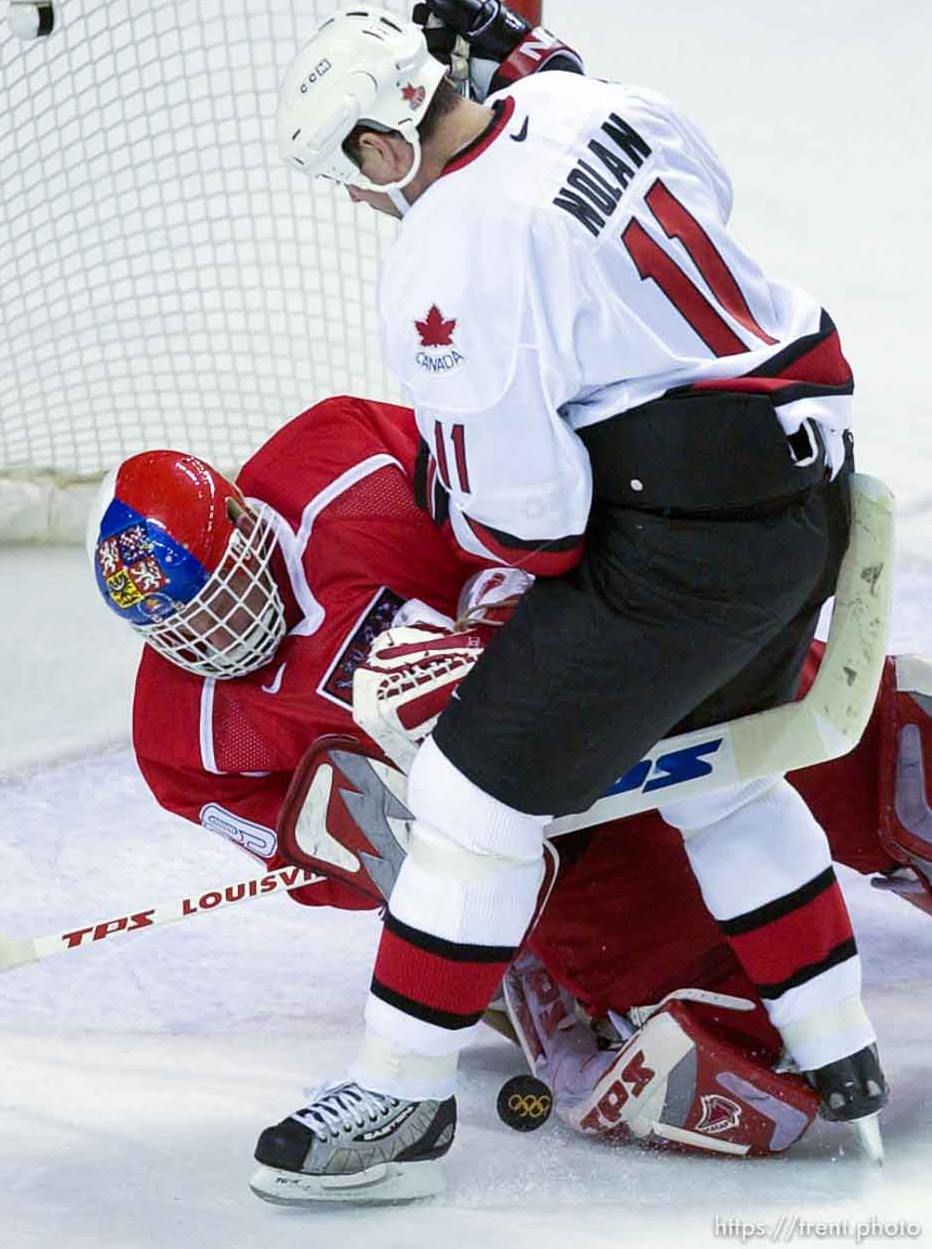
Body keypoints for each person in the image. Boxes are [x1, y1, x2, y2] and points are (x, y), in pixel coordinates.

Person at [267, 0, 890, 1196]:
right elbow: (665, 165)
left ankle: (403, 1110)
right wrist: (526, 59)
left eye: (353, 173)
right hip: (810, 494)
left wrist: (484, 559)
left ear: (388, 143)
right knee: (722, 767)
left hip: (694, 545)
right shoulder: (581, 98)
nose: (359, 199)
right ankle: (841, 1052)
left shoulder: (443, 252)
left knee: (464, 800)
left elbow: (531, 525)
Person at [88, 397, 929, 1196]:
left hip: (597, 679)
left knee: (830, 741)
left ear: (241, 519)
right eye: (187, 629)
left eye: (230, 595)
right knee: (723, 1046)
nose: (224, 635)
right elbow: (320, 859)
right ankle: (534, 972)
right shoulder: (181, 741)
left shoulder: (340, 460)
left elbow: (522, 509)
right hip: (551, 850)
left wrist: (490, 637)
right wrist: (369, 841)